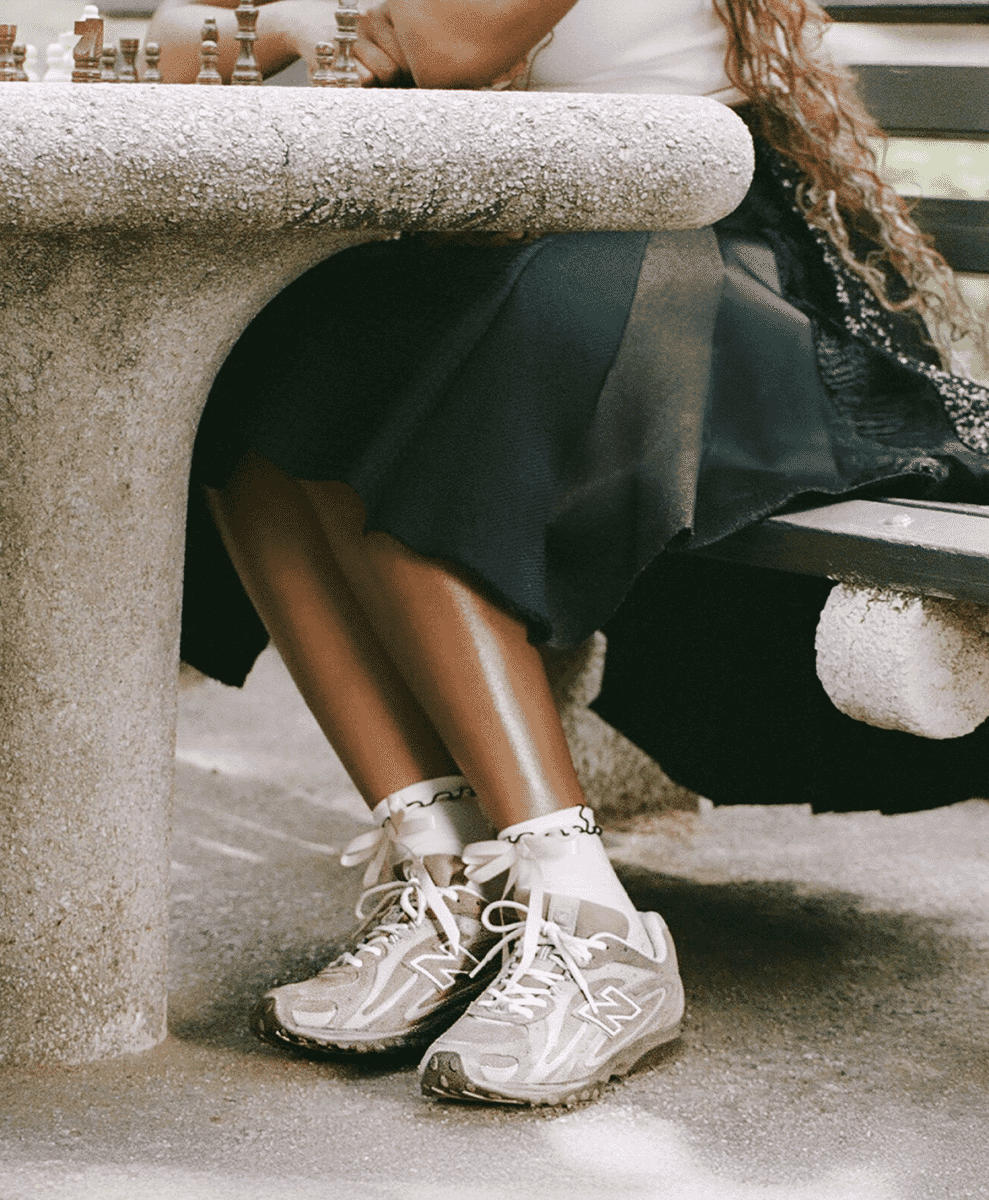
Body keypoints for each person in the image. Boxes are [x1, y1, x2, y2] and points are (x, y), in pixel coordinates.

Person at [149, 0, 989, 1106]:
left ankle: (590, 927)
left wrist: (338, 30)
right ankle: (446, 877)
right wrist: (352, 28)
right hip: (538, 243)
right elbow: (177, 42)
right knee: (258, 393)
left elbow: (454, 47)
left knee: (428, 414)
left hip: (700, 253)